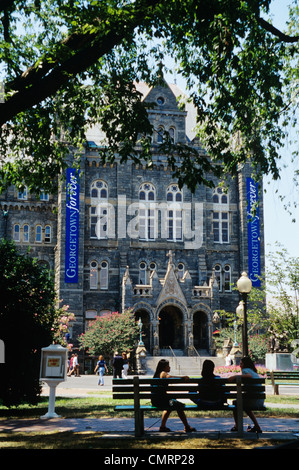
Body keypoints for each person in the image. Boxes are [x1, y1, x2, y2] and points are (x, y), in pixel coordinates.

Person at [151, 359, 196, 433]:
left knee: (171, 404)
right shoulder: (163, 373)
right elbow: (169, 377)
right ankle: (187, 426)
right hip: (161, 401)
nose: (169, 367)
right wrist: (182, 377)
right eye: (168, 366)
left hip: (156, 400)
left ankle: (162, 427)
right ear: (164, 367)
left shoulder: (156, 374)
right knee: (178, 405)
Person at [228, 356, 264, 433]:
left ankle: (237, 426)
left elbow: (249, 376)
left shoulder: (245, 370)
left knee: (236, 403)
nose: (240, 365)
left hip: (254, 400)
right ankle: (257, 426)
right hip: (259, 400)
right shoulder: (252, 370)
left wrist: (235, 376)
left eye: (241, 363)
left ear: (245, 364)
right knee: (244, 405)